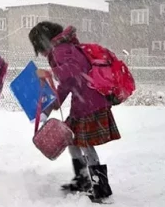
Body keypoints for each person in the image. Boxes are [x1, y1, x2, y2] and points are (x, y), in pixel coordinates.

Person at [28, 21, 120, 202]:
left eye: (38, 46)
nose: (40, 51)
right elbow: (68, 83)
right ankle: (83, 180)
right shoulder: (64, 47)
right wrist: (52, 105)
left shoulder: (60, 50)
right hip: (85, 100)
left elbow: (73, 70)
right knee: (72, 140)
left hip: (89, 103)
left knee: (85, 144)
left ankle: (100, 188)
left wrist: (49, 72)